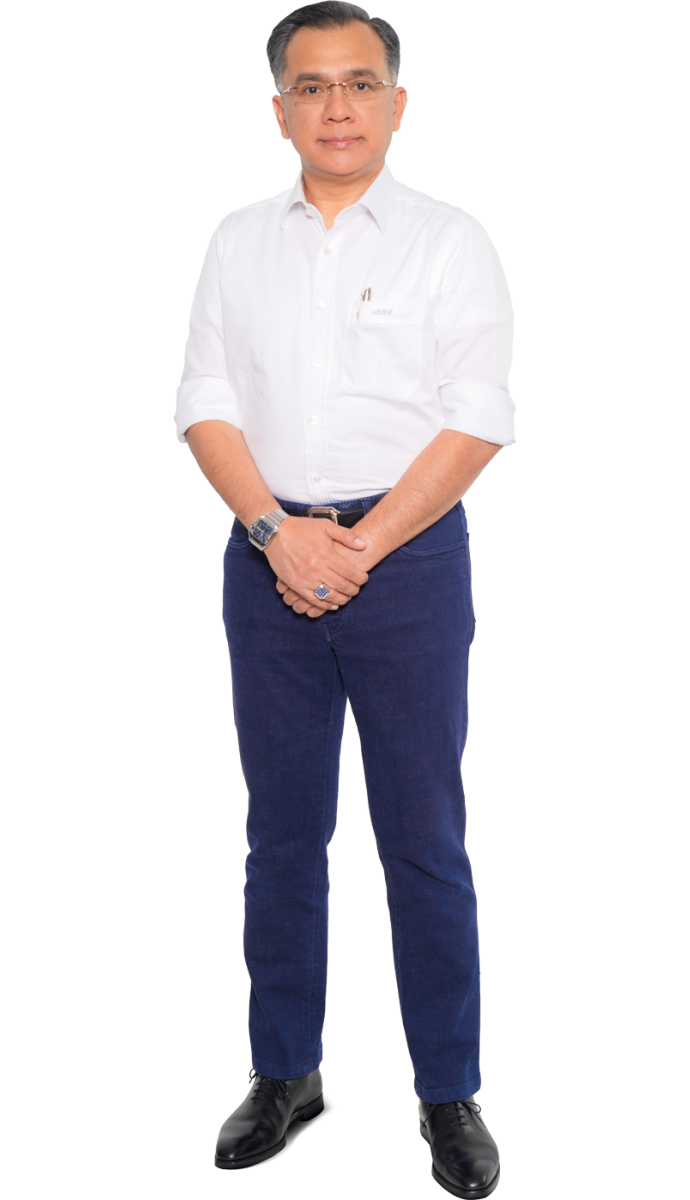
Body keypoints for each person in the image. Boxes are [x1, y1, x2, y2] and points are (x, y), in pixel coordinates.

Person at [174, 3, 514, 1195]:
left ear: (397, 104)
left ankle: (449, 1091)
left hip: (406, 559)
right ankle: (283, 1071)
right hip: (265, 554)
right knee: (279, 833)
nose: (337, 107)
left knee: (424, 835)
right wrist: (278, 534)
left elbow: (479, 416)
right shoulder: (237, 240)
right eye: (311, 86)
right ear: (280, 110)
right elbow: (204, 399)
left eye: (360, 83)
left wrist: (356, 546)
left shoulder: (450, 240)